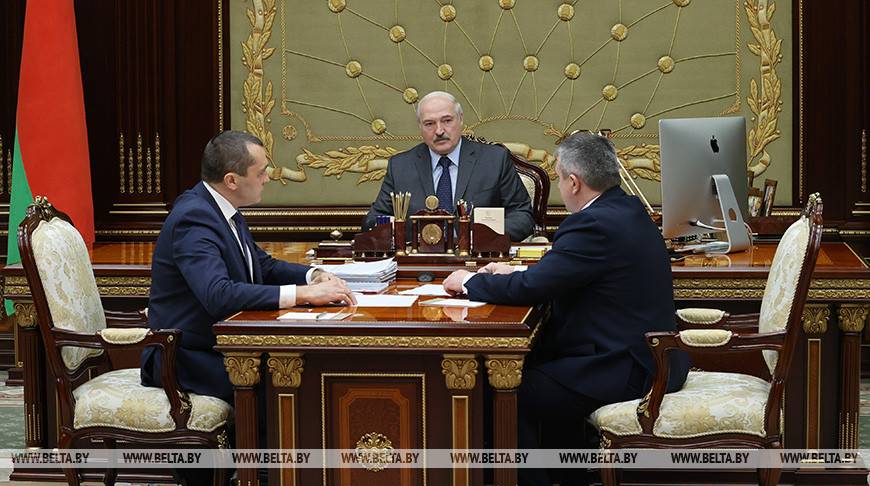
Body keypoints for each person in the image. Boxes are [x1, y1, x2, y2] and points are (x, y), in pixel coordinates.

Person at [443, 132, 690, 486]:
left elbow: (534, 289)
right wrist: (516, 272)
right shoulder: (626, 208)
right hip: (648, 357)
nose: (560, 187)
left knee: (504, 395)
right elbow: (563, 271)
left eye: (559, 179)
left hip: (626, 367)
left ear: (574, 183)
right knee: (538, 373)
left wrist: (468, 282)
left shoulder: (592, 224)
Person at [141, 130, 356, 405]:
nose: (268, 179)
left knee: (301, 372)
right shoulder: (194, 217)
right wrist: (303, 294)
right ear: (231, 180)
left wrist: (314, 275)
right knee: (290, 383)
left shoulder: (222, 208)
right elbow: (218, 294)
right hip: (185, 358)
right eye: (261, 172)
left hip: (223, 347)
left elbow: (262, 265)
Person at [362, 91, 535, 241]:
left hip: (478, 259)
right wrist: (389, 227)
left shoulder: (494, 160)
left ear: (460, 120)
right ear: (420, 127)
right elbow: (372, 220)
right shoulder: (401, 166)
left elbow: (523, 216)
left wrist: (481, 237)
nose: (439, 131)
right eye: (429, 124)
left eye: (446, 121)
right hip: (419, 259)